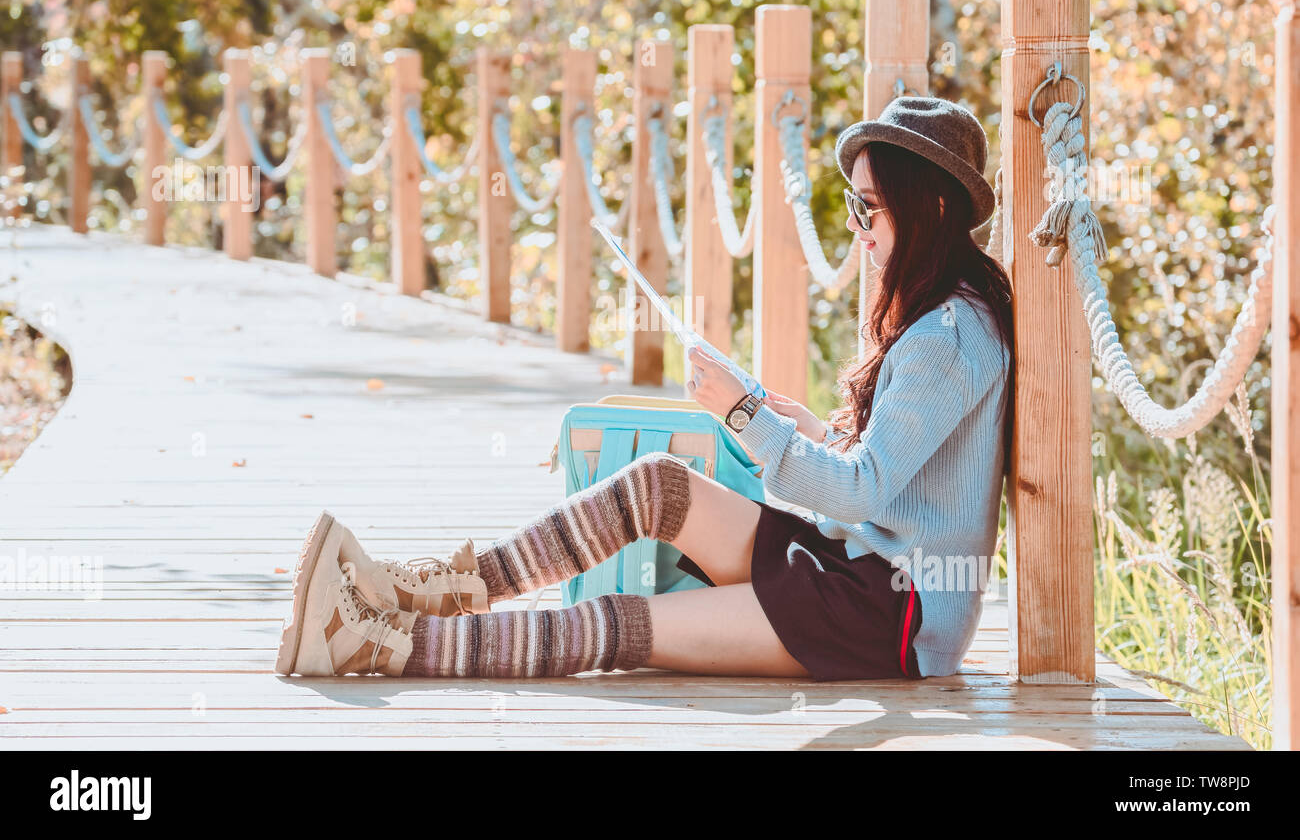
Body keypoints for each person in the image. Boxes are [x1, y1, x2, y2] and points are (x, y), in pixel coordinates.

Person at [274, 96, 1014, 681]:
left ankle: (378, 646)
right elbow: (894, 481)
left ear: (932, 209)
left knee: (628, 622)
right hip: (857, 569)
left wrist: (745, 411)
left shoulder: (945, 337)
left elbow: (860, 494)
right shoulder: (947, 316)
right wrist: (811, 430)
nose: (857, 228)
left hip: (887, 615)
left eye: (868, 208)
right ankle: (425, 591)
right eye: (852, 207)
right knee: (659, 487)